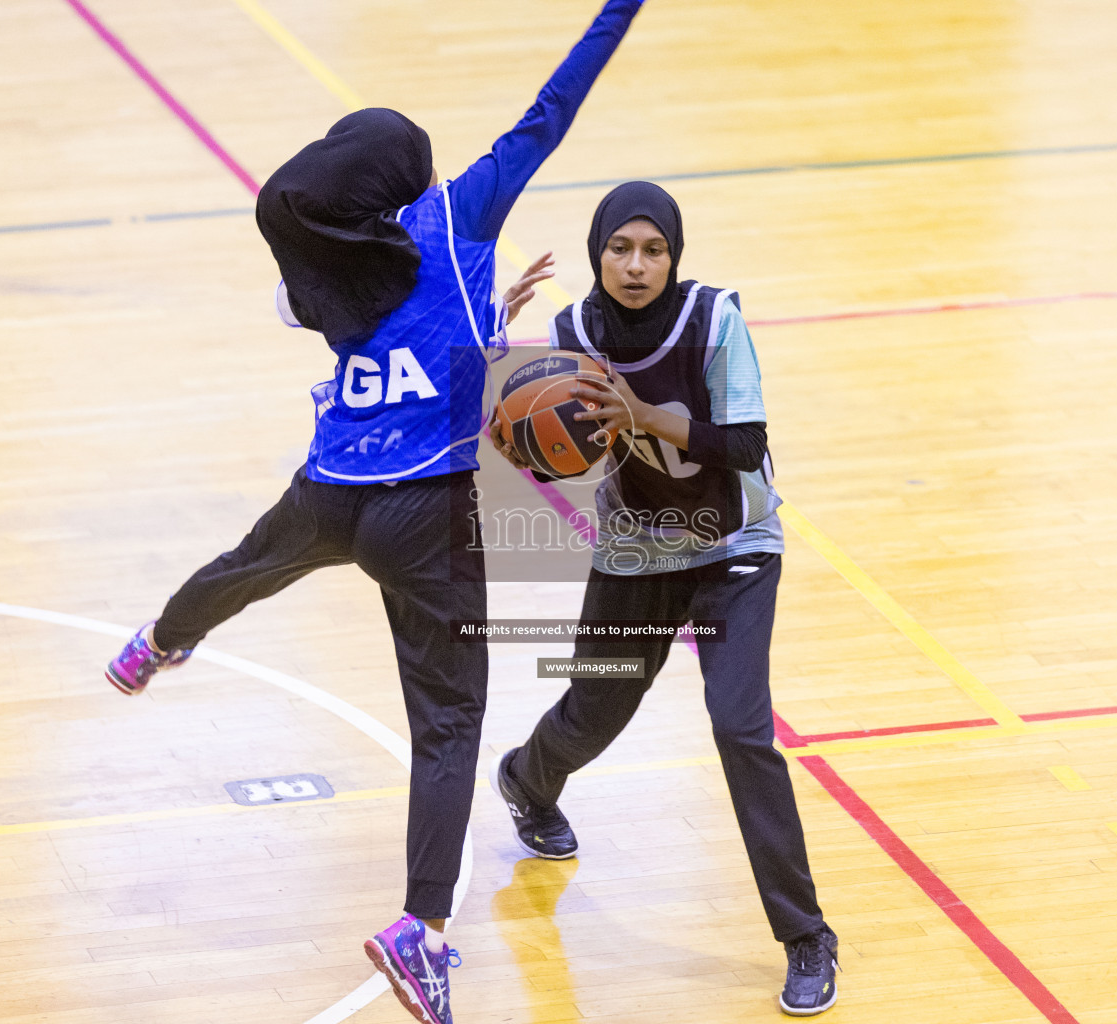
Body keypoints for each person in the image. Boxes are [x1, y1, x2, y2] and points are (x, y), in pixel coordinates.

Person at [101, 5, 647, 1024]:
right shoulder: (459, 215)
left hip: (329, 496)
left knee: (243, 565)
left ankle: (154, 642)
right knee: (448, 724)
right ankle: (420, 931)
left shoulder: (342, 269)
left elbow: (376, 325)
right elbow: (552, 108)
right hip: (425, 514)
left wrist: (494, 318)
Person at [488, 181, 840, 1016]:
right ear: (597, 254)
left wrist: (645, 413)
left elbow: (747, 445)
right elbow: (541, 460)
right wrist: (495, 353)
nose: (637, 265)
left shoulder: (715, 319)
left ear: (675, 256)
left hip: (734, 554)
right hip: (636, 553)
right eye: (621, 249)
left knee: (740, 726)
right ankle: (527, 783)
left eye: (654, 250)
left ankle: (805, 936)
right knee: (593, 711)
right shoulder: (572, 333)